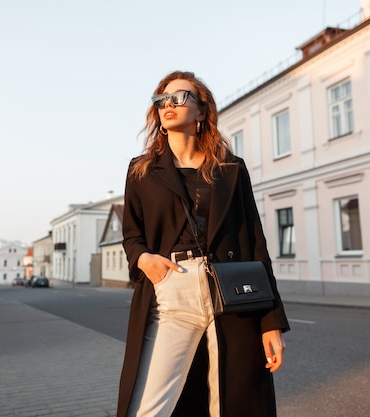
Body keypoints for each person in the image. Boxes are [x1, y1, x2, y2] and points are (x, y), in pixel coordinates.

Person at [117, 70, 290, 417]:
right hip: (172, 290)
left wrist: (271, 320)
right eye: (162, 99)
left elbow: (255, 241)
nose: (169, 104)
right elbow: (131, 235)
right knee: (148, 407)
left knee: (227, 403)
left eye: (180, 96)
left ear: (201, 111)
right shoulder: (142, 171)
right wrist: (143, 260)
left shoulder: (231, 169)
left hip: (231, 295)